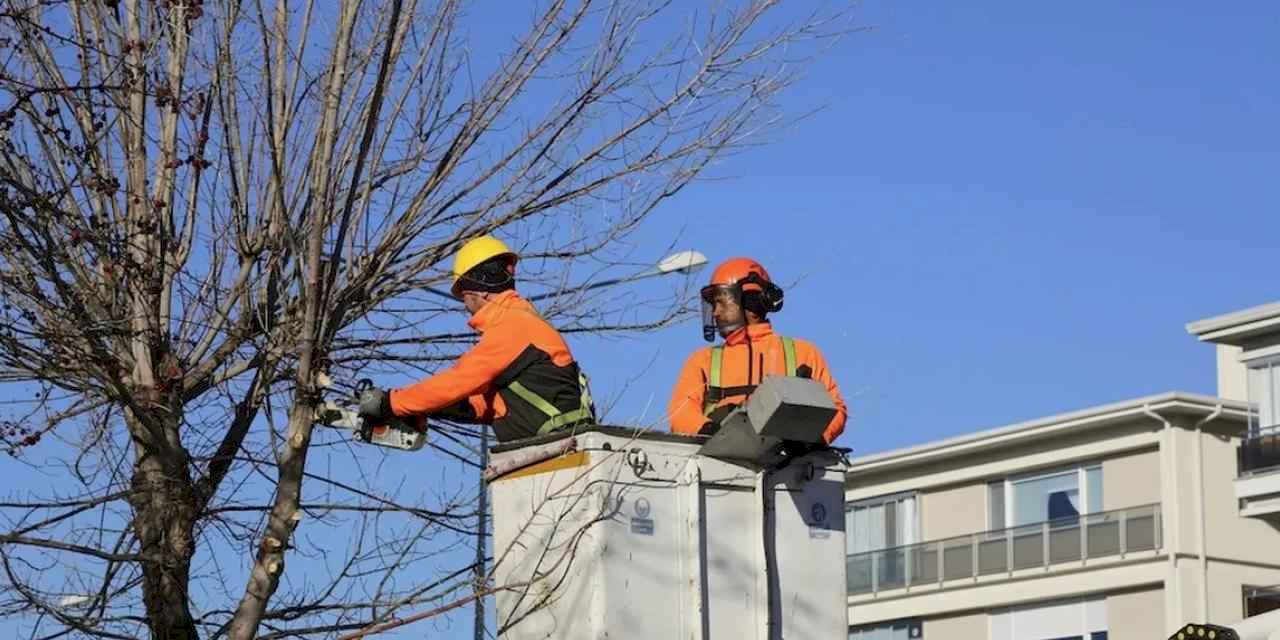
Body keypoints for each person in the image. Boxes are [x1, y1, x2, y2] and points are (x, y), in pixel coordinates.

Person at [357, 235, 595, 443]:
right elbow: (488, 405)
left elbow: (460, 379)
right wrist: (428, 407)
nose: (464, 302)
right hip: (554, 448)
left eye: (463, 293)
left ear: (478, 288)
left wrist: (391, 403)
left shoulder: (513, 326)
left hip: (556, 451)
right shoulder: (523, 326)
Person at [667, 257, 847, 444]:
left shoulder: (804, 354)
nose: (715, 313)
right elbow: (681, 413)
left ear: (750, 301)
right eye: (713, 305)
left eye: (721, 302)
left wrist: (814, 439)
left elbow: (835, 409)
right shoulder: (702, 360)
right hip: (719, 463)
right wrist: (712, 434)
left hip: (790, 468)